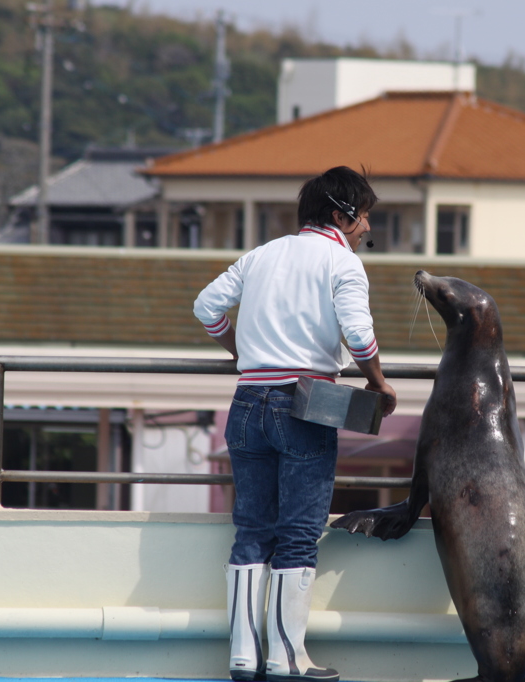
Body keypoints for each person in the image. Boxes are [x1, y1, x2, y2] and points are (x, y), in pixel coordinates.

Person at [193, 166, 397, 682]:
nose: (367, 226)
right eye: (364, 215)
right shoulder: (343, 263)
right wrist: (378, 382)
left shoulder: (263, 254)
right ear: (340, 215)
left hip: (246, 400)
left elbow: (206, 306)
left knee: (252, 529)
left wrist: (241, 351)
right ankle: (287, 657)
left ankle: (243, 656)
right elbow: (358, 334)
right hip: (304, 404)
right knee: (299, 534)